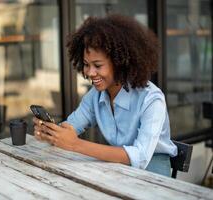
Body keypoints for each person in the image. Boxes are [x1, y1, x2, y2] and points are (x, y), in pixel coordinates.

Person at [33, 14, 177, 177]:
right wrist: (51, 132)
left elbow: (141, 157)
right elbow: (72, 126)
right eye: (86, 65)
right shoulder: (95, 96)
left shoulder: (151, 99)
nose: (90, 72)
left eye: (98, 65)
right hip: (118, 172)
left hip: (154, 178)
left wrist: (75, 145)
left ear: (119, 62)